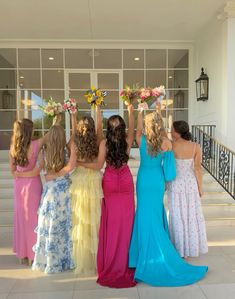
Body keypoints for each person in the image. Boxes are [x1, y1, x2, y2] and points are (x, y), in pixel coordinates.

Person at [128, 111, 208, 286]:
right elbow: (170, 171)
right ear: (161, 125)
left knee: (143, 213)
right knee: (156, 213)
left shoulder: (141, 138)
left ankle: (141, 256)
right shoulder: (167, 143)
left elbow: (138, 128)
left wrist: (139, 110)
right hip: (157, 180)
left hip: (143, 180)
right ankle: (161, 249)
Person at [78, 105, 136, 288]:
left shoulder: (104, 143)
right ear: (123, 128)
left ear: (108, 129)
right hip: (125, 181)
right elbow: (134, 128)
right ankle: (127, 263)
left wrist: (80, 163)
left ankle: (112, 262)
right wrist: (132, 110)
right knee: (127, 223)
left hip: (110, 181)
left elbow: (97, 165)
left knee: (111, 224)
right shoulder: (128, 140)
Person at [167, 120, 208, 258]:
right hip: (190, 183)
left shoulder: (170, 146)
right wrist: (200, 187)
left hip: (176, 183)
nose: (171, 133)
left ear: (178, 132)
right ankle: (190, 248)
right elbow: (197, 168)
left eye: (172, 130)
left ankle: (179, 249)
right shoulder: (196, 146)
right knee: (190, 215)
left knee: (178, 215)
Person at [9, 119, 44, 265]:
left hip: (19, 186)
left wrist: (20, 174)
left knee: (22, 219)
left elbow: (13, 171)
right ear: (29, 131)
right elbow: (38, 169)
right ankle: (33, 255)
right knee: (33, 219)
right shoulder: (36, 144)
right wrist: (55, 118)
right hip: (33, 185)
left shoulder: (13, 147)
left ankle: (23, 255)